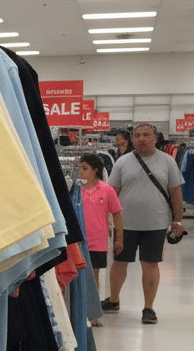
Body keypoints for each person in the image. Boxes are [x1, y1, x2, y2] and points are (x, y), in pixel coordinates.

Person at [102, 123, 184, 324]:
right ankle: (114, 300)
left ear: (155, 138)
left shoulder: (167, 161)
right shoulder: (122, 162)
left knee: (150, 264)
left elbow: (175, 192)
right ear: (133, 139)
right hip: (125, 224)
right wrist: (107, 220)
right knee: (119, 262)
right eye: (137, 135)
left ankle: (148, 308)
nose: (141, 139)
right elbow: (112, 192)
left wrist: (178, 220)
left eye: (146, 135)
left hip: (155, 223)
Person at [78, 153, 123, 294]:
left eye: (85, 168)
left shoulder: (107, 190)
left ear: (95, 170)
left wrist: (119, 239)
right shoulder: (76, 190)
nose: (81, 171)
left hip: (97, 242)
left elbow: (117, 214)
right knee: (77, 277)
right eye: (80, 168)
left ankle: (93, 306)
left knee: (93, 277)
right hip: (78, 241)